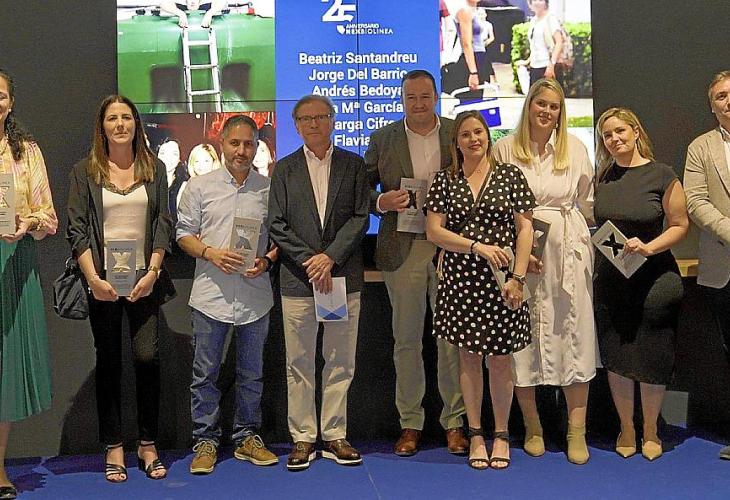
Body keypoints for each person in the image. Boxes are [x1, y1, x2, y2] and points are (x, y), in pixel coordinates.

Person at [66, 95, 176, 482]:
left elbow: (163, 223)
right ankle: (113, 446)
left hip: (145, 281)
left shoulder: (155, 168)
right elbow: (77, 229)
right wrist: (93, 280)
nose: (120, 124)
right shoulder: (84, 172)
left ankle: (147, 445)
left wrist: (154, 271)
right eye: (112, 118)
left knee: (147, 360)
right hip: (103, 285)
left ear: (136, 124)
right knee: (109, 362)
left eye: (126, 117)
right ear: (102, 126)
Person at [492, 78, 597, 464]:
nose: (547, 111)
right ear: (529, 105)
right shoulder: (505, 148)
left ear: (560, 112)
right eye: (541, 104)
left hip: (567, 253)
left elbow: (587, 203)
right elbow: (495, 207)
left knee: (574, 336)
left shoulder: (576, 149)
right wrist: (519, 254)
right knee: (523, 339)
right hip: (521, 256)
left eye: (554, 106)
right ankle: (532, 426)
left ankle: (576, 431)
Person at [364, 70, 467, 457]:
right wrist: (381, 201)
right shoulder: (383, 138)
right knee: (406, 342)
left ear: (436, 97)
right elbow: (361, 187)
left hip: (450, 249)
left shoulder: (456, 132)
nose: (419, 104)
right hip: (402, 248)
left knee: (451, 342)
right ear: (402, 100)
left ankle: (454, 423)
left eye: (425, 97)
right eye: (411, 98)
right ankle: (410, 423)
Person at [425, 110, 535, 469]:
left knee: (501, 361)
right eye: (465, 134)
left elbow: (525, 229)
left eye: (479, 132)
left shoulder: (509, 175)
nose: (473, 139)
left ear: (488, 137)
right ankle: (475, 434)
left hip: (504, 283)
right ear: (456, 142)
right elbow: (434, 232)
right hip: (460, 281)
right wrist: (476, 247)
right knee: (468, 360)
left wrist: (518, 277)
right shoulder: (444, 180)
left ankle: (501, 434)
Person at [268, 95, 369, 471]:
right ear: (296, 126)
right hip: (299, 280)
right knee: (299, 361)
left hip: (340, 278)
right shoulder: (284, 169)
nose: (314, 124)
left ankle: (335, 434)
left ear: (333, 121)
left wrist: (331, 258)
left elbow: (360, 217)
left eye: (321, 117)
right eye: (306, 119)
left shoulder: (353, 165)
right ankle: (303, 437)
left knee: (340, 360)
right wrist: (311, 260)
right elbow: (276, 223)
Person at [177, 115, 278, 474]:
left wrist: (266, 260)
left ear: (256, 147)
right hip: (211, 296)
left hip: (255, 296)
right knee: (205, 374)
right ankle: (205, 441)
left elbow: (279, 239)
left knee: (252, 374)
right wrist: (210, 253)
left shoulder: (269, 189)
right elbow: (183, 234)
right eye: (235, 143)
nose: (241, 151)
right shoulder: (198, 187)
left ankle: (247, 437)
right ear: (222, 144)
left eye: (248, 144)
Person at [594, 107, 688, 461]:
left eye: (620, 131)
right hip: (612, 281)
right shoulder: (602, 177)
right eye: (607, 135)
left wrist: (649, 248)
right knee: (617, 355)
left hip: (655, 280)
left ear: (635, 132)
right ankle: (627, 429)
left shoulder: (662, 174)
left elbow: (680, 225)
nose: (614, 139)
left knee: (652, 355)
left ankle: (650, 430)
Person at [0, 68, 57, 500]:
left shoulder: (27, 152)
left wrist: (27, 224)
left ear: (11, 102)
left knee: (5, 371)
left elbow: (48, 217)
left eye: (0, 95)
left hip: (15, 265)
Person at [683, 70, 730, 460]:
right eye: (721, 96)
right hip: (722, 263)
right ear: (712, 105)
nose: (728, 101)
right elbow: (695, 201)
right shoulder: (701, 147)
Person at [519, 0, 564, 85]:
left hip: (548, 67)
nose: (537, 3)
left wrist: (551, 65)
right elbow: (536, 46)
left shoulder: (550, 19)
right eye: (534, 0)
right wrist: (527, 61)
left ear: (546, 2)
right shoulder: (533, 21)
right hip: (535, 67)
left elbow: (559, 42)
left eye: (540, 0)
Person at [455, 1, 496, 91]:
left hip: (481, 55)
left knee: (480, 91)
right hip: (472, 57)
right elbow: (466, 43)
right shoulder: (464, 11)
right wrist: (473, 72)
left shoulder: (474, 11)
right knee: (473, 93)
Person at [159, 0, 228, 28]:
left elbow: (223, 1)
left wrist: (209, 14)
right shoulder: (180, 5)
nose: (192, 1)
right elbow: (163, 3)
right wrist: (181, 14)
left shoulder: (206, 5)